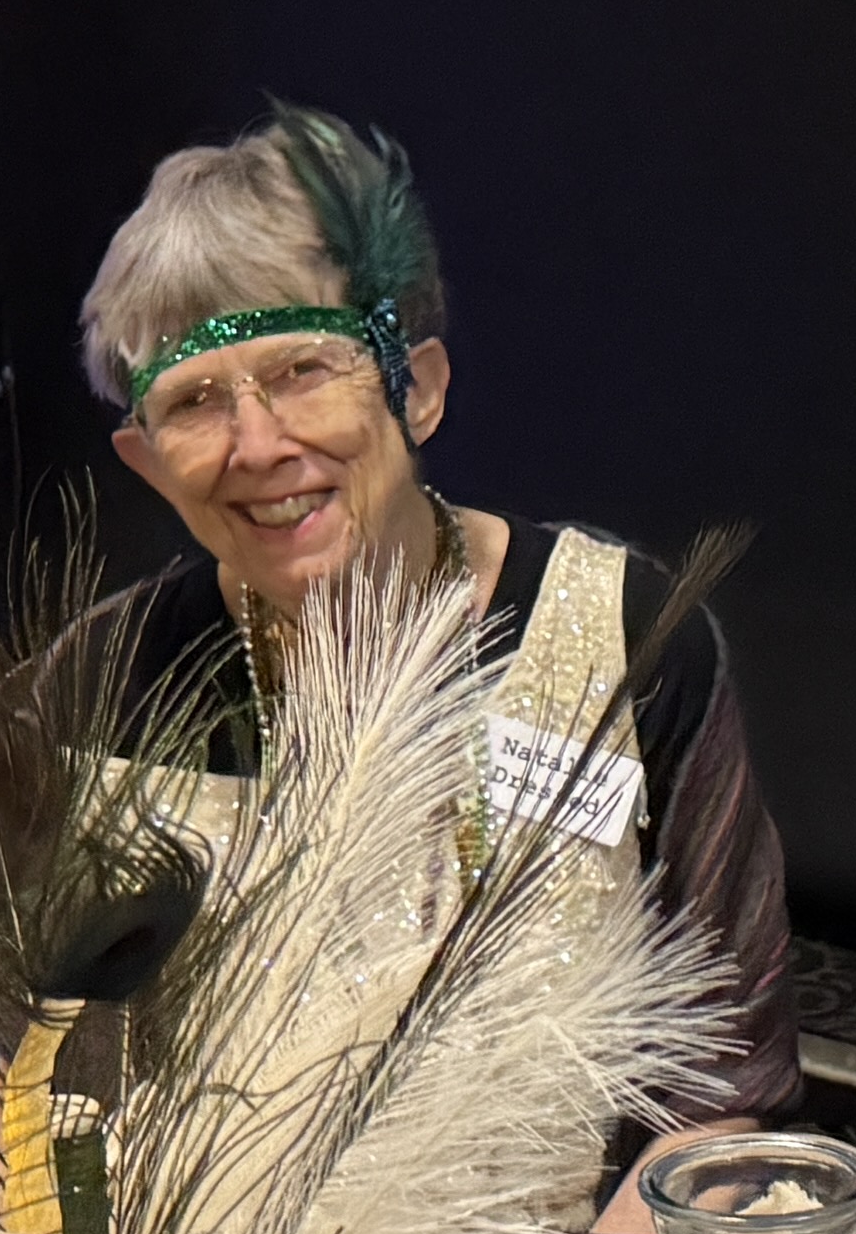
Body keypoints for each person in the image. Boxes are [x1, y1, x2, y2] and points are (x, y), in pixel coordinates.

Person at [76, 102, 801, 1130]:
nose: (259, 443)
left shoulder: (626, 644)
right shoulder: (99, 680)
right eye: (194, 401)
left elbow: (724, 1091)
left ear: (414, 389)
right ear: (148, 464)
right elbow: (50, 1088)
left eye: (301, 370)